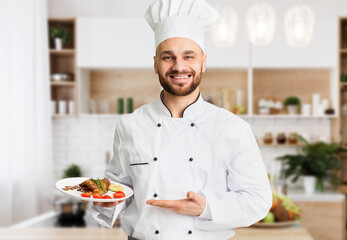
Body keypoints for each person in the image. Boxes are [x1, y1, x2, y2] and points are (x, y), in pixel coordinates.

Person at [89, 0, 272, 239]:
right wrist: (107, 202)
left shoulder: (233, 128)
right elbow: (120, 189)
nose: (179, 66)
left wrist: (207, 208)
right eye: (168, 57)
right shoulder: (130, 125)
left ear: (203, 62)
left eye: (189, 56)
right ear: (155, 64)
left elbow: (257, 199)